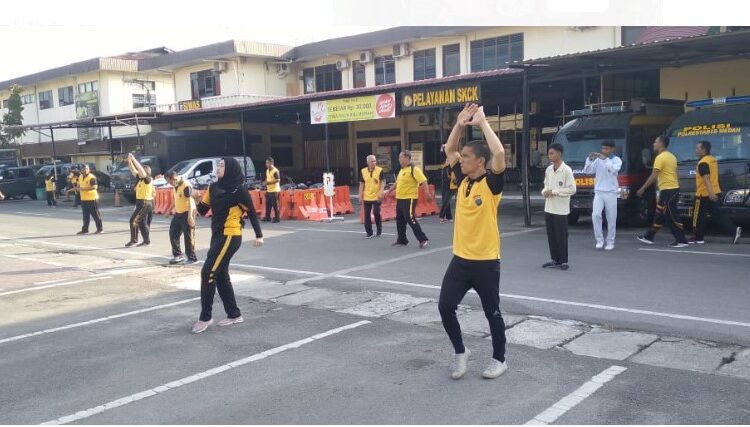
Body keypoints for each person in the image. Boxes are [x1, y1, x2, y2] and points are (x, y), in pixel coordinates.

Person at [438, 103, 509, 380]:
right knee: (445, 306)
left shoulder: (491, 184)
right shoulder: (463, 179)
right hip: (460, 260)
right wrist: (459, 124)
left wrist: (482, 122)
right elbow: (450, 150)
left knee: (492, 313)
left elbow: (500, 153)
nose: (461, 159)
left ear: (480, 161)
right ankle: (460, 351)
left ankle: (499, 359)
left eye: (467, 156)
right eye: (462, 156)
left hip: (486, 262)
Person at [191, 157, 264, 334]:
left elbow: (252, 212)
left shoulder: (239, 190)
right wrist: (195, 197)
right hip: (217, 235)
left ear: (230, 168)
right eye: (218, 165)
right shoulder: (214, 187)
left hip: (230, 235)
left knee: (208, 272)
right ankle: (234, 314)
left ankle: (205, 316)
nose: (218, 168)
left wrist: (259, 235)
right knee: (221, 274)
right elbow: (202, 210)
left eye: (222, 165)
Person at [636, 136, 689, 247]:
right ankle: (649, 236)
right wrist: (678, 185)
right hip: (671, 189)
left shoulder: (660, 158)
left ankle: (682, 240)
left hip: (668, 190)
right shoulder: (672, 156)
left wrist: (643, 188)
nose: (653, 144)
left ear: (661, 143)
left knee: (672, 215)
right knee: (660, 214)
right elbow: (676, 173)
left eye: (655, 141)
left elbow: (654, 176)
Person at [689, 140, 742, 245]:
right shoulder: (712, 159)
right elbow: (715, 177)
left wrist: (711, 193)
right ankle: (734, 230)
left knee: (696, 216)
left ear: (704, 150)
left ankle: (698, 238)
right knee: (716, 215)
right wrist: (716, 192)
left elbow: (707, 179)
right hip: (714, 191)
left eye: (698, 148)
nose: (696, 150)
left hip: (703, 194)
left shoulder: (703, 162)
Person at [383, 150, 433, 249]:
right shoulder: (402, 170)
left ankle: (423, 239)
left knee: (410, 218)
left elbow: (423, 181)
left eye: (400, 157)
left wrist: (427, 193)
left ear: (407, 158)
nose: (399, 159)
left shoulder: (414, 169)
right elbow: (397, 184)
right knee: (400, 220)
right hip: (400, 198)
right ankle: (402, 240)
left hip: (409, 198)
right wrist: (388, 191)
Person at [542, 143, 576, 270]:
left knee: (561, 235)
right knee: (551, 235)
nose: (549, 155)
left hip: (561, 209)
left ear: (559, 154)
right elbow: (546, 185)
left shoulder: (566, 170)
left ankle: (564, 261)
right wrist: (544, 192)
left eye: (552, 153)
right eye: (549, 153)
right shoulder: (549, 170)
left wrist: (554, 192)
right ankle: (554, 259)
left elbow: (572, 189)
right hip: (549, 207)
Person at [583, 140, 622, 250]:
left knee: (611, 218)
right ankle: (599, 240)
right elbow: (588, 171)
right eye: (603, 148)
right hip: (599, 192)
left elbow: (613, 170)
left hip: (611, 192)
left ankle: (610, 241)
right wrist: (589, 159)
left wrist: (605, 159)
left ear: (612, 149)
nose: (604, 151)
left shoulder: (616, 160)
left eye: (606, 149)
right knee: (595, 215)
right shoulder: (598, 160)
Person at [167, 171, 198, 264]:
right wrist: (169, 210)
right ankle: (178, 255)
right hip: (178, 213)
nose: (170, 184)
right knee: (173, 233)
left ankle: (192, 258)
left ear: (175, 179)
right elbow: (176, 199)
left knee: (188, 236)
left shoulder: (186, 185)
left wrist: (190, 217)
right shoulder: (175, 186)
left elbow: (191, 202)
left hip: (188, 212)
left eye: (170, 182)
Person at [125, 153, 154, 248]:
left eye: (142, 171)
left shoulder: (148, 179)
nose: (139, 172)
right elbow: (133, 170)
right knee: (141, 222)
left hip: (145, 203)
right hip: (140, 203)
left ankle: (134, 240)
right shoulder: (140, 180)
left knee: (133, 221)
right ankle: (147, 241)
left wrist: (134, 159)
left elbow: (140, 170)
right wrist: (129, 161)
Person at [359, 154, 385, 238]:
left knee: (376, 212)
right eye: (372, 161)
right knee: (367, 214)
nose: (374, 163)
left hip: (377, 196)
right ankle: (369, 232)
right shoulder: (363, 171)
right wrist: (360, 196)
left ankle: (379, 230)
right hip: (367, 196)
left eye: (375, 161)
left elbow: (383, 182)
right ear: (368, 162)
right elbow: (361, 184)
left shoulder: (379, 170)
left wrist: (381, 192)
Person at [77, 164, 103, 235]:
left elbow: (94, 187)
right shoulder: (80, 176)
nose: (85, 170)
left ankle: (100, 229)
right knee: (85, 215)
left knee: (95, 215)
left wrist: (83, 189)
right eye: (84, 169)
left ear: (89, 169)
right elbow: (79, 185)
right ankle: (85, 229)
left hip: (92, 199)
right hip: (83, 199)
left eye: (87, 168)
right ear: (81, 170)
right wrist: (77, 188)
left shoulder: (92, 177)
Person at [438, 156, 458, 223]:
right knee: (446, 201)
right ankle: (449, 217)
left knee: (446, 201)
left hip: (451, 187)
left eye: (448, 160)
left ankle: (441, 216)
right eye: (446, 160)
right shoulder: (444, 168)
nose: (447, 161)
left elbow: (454, 178)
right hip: (444, 187)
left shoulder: (451, 168)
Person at [262, 157, 281, 223]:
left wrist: (268, 183)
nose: (266, 164)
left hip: (275, 190)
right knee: (268, 204)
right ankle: (267, 217)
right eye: (266, 163)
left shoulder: (275, 171)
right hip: (269, 190)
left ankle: (277, 218)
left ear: (271, 163)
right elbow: (267, 178)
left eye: (267, 163)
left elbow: (278, 180)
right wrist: (264, 182)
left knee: (275, 205)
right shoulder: (267, 170)